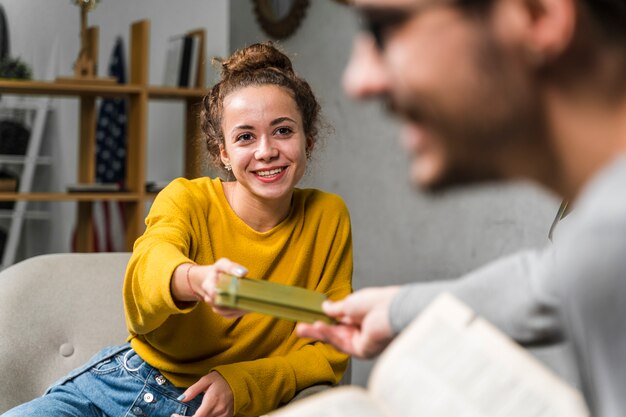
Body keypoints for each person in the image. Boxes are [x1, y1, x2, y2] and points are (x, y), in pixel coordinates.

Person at [296, 0, 626, 416]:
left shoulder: (612, 236)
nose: (359, 80)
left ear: (538, 14)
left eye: (384, 27)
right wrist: (396, 309)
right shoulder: (601, 236)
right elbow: (545, 284)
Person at [4, 42, 352, 417]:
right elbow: (147, 274)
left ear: (307, 142)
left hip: (216, 406)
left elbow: (330, 348)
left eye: (283, 131)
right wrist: (195, 279)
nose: (266, 150)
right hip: (124, 386)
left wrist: (244, 383)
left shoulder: (327, 217)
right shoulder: (186, 198)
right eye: (245, 137)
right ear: (222, 152)